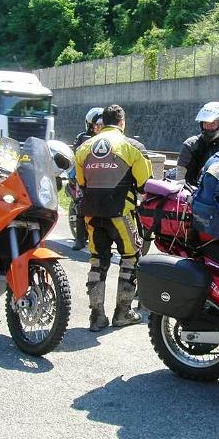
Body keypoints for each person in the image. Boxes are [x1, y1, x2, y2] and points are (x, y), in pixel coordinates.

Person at [74, 104, 152, 332]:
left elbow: (81, 183)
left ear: (102, 122)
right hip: (121, 213)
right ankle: (123, 312)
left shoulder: (84, 147)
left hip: (91, 213)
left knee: (97, 260)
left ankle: (96, 316)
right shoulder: (132, 146)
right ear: (122, 122)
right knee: (130, 256)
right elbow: (144, 184)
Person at [176, 101, 219, 186]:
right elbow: (179, 180)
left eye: (213, 123)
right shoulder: (191, 146)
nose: (208, 127)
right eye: (205, 123)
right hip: (197, 195)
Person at [71, 107, 105, 250]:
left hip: (106, 176)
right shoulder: (82, 138)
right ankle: (79, 239)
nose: (99, 127)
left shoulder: (111, 137)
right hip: (86, 176)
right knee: (81, 204)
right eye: (97, 124)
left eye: (102, 124)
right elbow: (76, 156)